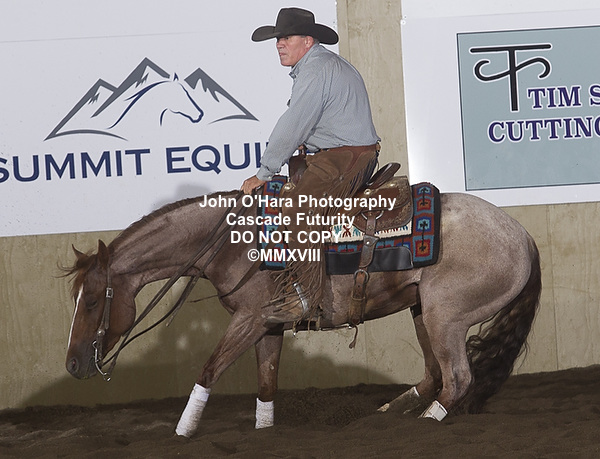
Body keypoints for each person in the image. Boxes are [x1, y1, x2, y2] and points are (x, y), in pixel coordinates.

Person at [241, 7, 380, 324]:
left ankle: (306, 296)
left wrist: (264, 172)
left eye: (286, 38)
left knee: (296, 207)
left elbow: (293, 124)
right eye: (278, 39)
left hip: (346, 156)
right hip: (342, 152)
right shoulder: (322, 65)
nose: (279, 44)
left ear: (307, 40)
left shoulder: (315, 70)